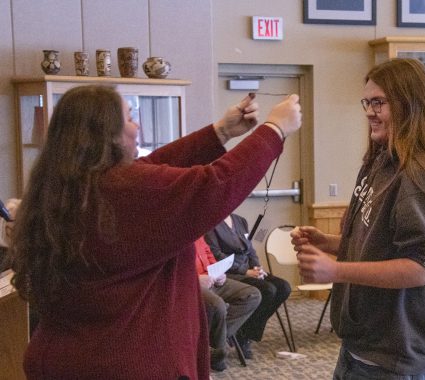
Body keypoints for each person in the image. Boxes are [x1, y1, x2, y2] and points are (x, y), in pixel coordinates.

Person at [7, 84, 301, 379]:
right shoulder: (122, 192)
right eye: (130, 117)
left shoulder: (66, 187)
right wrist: (274, 130)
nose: (138, 126)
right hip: (125, 364)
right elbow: (215, 184)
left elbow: (152, 165)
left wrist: (221, 132)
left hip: (65, 357)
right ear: (107, 134)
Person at [291, 58, 425, 379]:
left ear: (408, 105)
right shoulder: (380, 161)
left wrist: (336, 269)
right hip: (364, 346)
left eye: (379, 103)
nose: (369, 111)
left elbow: (422, 267)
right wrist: (330, 243)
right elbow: (382, 243)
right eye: (367, 102)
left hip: (395, 358)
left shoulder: (418, 177)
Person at [204, 213, 291, 358]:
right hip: (230, 272)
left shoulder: (240, 220)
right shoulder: (211, 222)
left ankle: (245, 332)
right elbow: (216, 255)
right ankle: (243, 336)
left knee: (283, 287)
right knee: (268, 290)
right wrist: (245, 271)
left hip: (249, 270)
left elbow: (250, 250)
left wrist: (257, 267)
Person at [194, 236, 261, 372]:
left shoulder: (195, 226)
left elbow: (207, 252)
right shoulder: (171, 230)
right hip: (192, 283)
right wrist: (195, 279)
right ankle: (216, 352)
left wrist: (218, 272)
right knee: (217, 305)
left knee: (252, 295)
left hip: (212, 278)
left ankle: (213, 347)